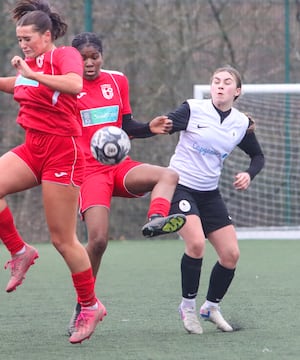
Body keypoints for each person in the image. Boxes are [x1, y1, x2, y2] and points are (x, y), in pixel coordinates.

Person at [0, 0, 105, 344]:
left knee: (63, 240)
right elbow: (18, 85)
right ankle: (19, 251)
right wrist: (22, 76)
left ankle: (90, 306)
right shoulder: (30, 67)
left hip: (64, 153)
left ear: (47, 36)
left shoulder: (63, 57)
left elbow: (74, 85)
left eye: (28, 38)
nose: (23, 45)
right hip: (34, 147)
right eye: (19, 39)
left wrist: (31, 73)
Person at [67, 32, 186, 335]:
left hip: (120, 167)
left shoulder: (117, 81)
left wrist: (149, 128)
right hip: (89, 173)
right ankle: (84, 304)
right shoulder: (67, 87)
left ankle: (156, 220)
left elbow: (125, 125)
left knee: (168, 175)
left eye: (95, 56)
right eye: (84, 57)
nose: (90, 62)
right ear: (74, 58)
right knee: (98, 241)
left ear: (103, 56)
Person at [166, 66, 265, 334]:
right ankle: (187, 307)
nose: (220, 86)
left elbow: (258, 157)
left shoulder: (240, 123)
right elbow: (162, 124)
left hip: (209, 194)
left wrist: (248, 174)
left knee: (231, 255)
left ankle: (210, 307)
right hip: (181, 187)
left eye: (227, 82)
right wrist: (136, 130)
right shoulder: (192, 109)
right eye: (216, 81)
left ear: (237, 91)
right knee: (196, 244)